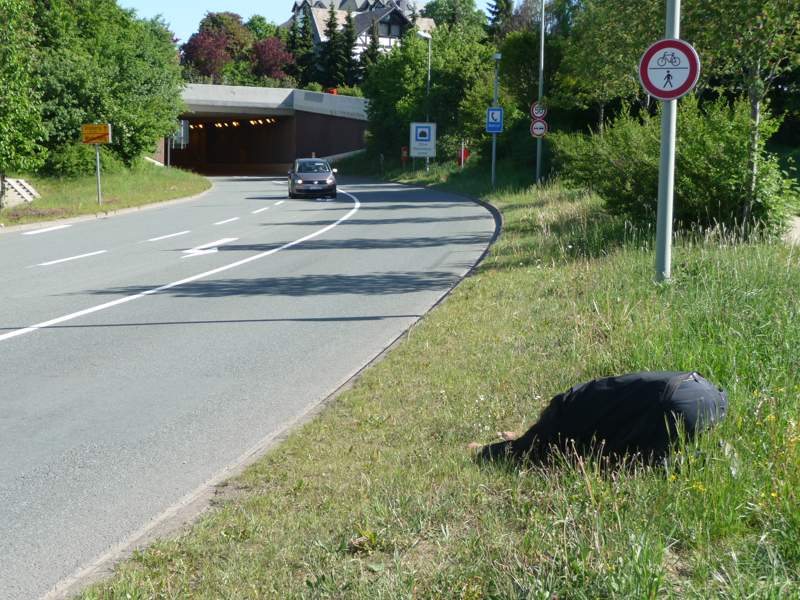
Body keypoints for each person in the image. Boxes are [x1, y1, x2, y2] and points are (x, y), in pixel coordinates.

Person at [470, 371, 728, 464]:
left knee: (632, 463)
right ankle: (710, 447)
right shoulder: (589, 394)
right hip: (706, 391)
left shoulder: (567, 412)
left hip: (676, 406)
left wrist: (485, 451)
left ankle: (706, 460)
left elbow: (531, 447)